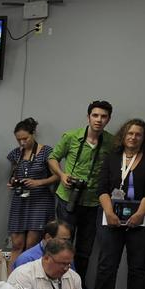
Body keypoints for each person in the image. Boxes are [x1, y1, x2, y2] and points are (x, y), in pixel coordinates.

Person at [92, 118, 145, 289]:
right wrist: (109, 212)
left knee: (138, 265)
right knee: (107, 263)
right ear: (123, 136)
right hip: (110, 216)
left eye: (138, 134)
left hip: (143, 218)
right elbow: (102, 188)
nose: (133, 137)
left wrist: (139, 213)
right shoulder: (111, 157)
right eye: (130, 133)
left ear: (144, 138)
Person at [48, 100, 115, 277]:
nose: (99, 120)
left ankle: (77, 286)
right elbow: (53, 158)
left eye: (103, 116)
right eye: (95, 115)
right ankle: (56, 280)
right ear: (88, 117)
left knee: (85, 249)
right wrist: (62, 175)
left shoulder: (111, 142)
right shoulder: (71, 136)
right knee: (62, 243)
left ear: (108, 119)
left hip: (94, 202)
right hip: (68, 198)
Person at [4, 117, 58, 266]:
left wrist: (38, 182)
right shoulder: (16, 154)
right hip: (20, 200)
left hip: (40, 201)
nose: (22, 142)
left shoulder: (47, 151)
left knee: (31, 246)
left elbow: (57, 176)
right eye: (18, 139)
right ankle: (11, 282)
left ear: (33, 134)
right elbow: (13, 174)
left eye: (25, 138)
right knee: (16, 244)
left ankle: (27, 281)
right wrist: (12, 182)